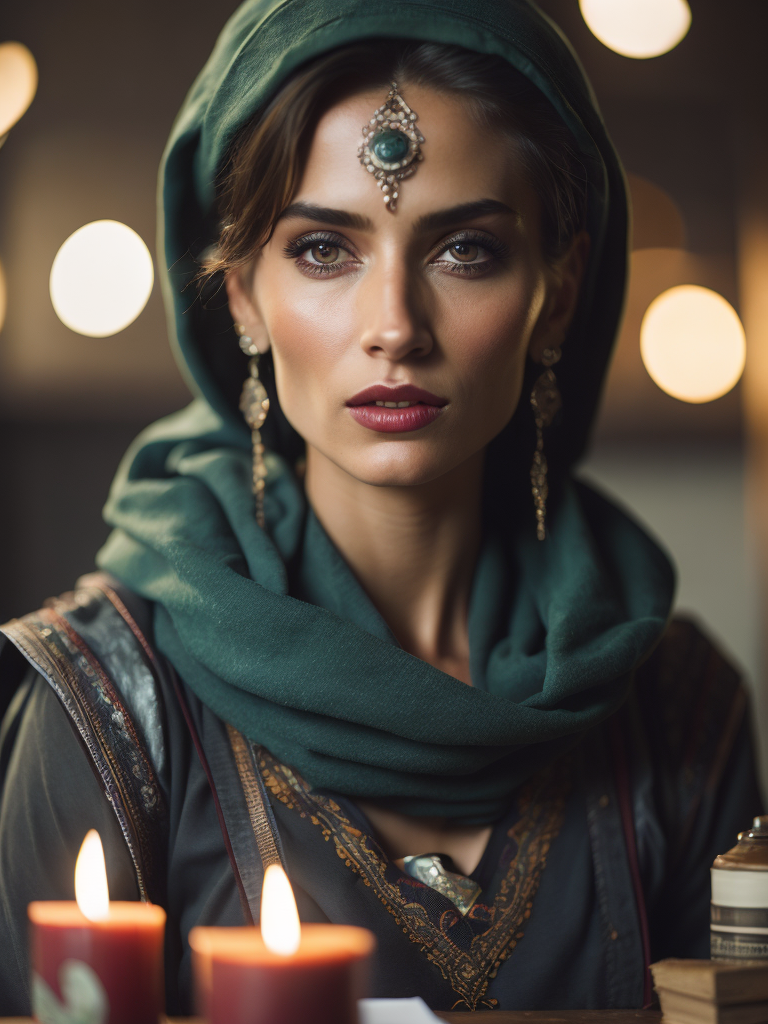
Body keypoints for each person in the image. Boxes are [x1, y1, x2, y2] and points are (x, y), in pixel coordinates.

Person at [0, 0, 761, 1014]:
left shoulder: (677, 712)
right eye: (324, 249)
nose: (394, 326)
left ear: (561, 293)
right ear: (238, 296)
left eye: (466, 251)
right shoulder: (107, 707)